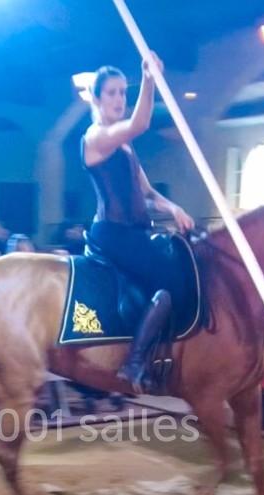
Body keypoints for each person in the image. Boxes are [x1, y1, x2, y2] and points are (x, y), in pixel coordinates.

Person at [81, 56, 195, 392]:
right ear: (97, 99)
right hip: (112, 234)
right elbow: (140, 123)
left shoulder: (124, 147)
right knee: (173, 278)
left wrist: (173, 208)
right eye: (112, 93)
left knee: (179, 263)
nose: (119, 99)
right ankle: (133, 363)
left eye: (123, 93)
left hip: (135, 232)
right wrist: (149, 80)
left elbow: (146, 192)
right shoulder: (97, 138)